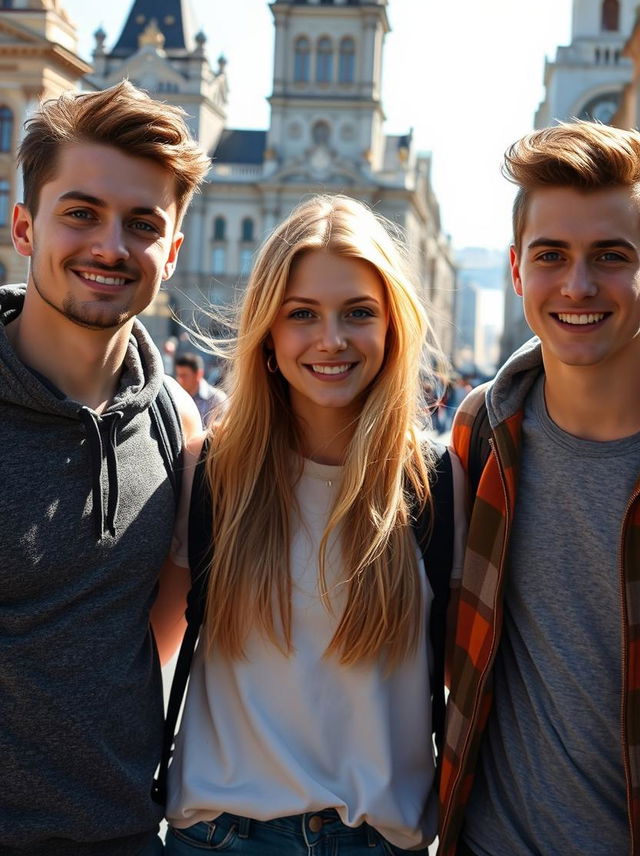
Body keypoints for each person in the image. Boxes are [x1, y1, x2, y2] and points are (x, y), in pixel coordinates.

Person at [163, 195, 466, 855]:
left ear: (392, 327)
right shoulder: (210, 471)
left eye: (358, 312)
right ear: (268, 331)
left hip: (378, 840)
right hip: (218, 836)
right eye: (302, 314)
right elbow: (145, 654)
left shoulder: (438, 482)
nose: (331, 339)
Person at [0, 80, 209, 856]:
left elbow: (147, 633)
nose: (110, 246)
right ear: (25, 226)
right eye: (81, 213)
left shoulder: (176, 422)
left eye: (142, 224)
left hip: (123, 835)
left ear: (173, 251)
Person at [439, 121, 640, 856]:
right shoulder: (482, 434)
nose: (578, 285)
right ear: (518, 272)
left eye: (611, 257)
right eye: (551, 255)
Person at [175, 351, 227, 424]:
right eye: (178, 375)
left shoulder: (217, 400)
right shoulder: (177, 398)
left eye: (184, 376)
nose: (180, 380)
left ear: (198, 374)